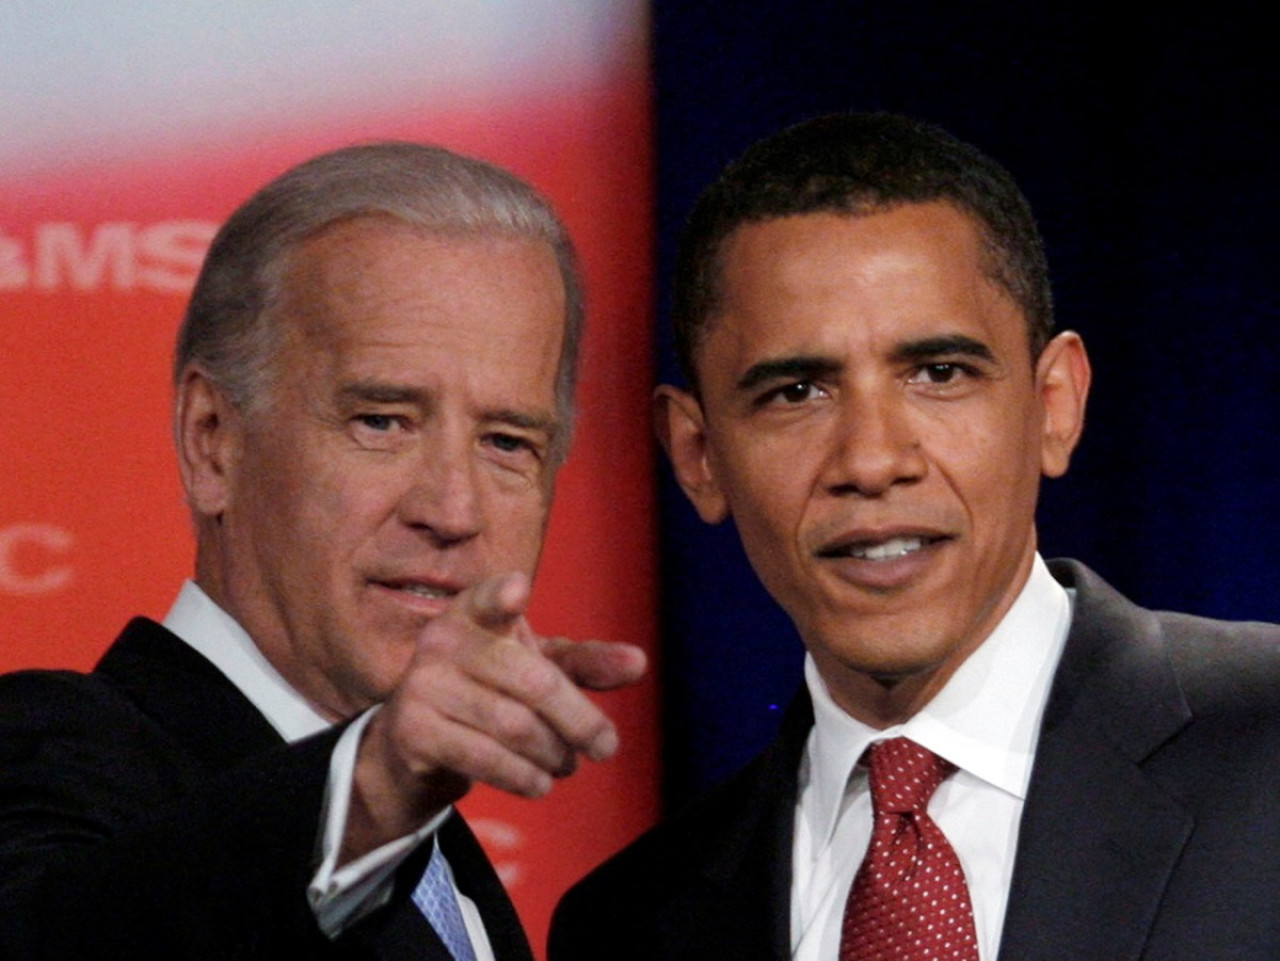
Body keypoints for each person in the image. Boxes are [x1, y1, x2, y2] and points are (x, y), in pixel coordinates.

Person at [549, 113, 1280, 960]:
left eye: (939, 374)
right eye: (796, 392)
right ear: (698, 453)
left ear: (1054, 405)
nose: (871, 459)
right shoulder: (627, 926)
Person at [0, 142, 646, 960]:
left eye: (508, 441)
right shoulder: (49, 757)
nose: (452, 509)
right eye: (381, 421)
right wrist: (371, 785)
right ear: (213, 443)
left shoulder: (445, 866)